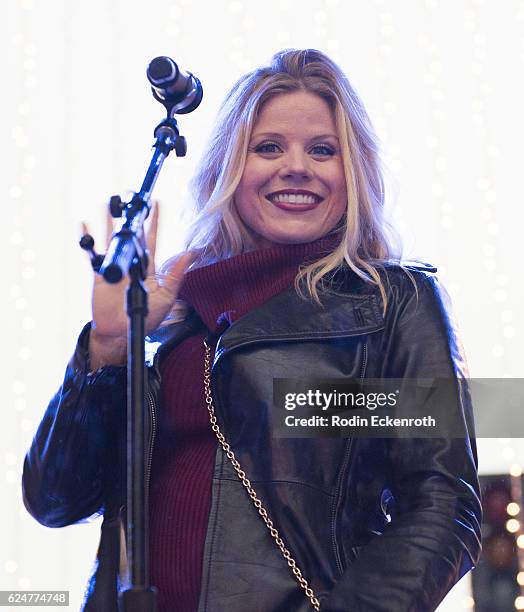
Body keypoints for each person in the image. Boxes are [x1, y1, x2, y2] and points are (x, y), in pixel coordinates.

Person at [22, 49, 481, 612]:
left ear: (353, 172)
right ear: (226, 169)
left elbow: (441, 507)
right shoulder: (170, 317)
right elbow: (53, 499)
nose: (297, 167)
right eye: (268, 147)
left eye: (322, 149)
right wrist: (111, 344)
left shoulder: (390, 305)